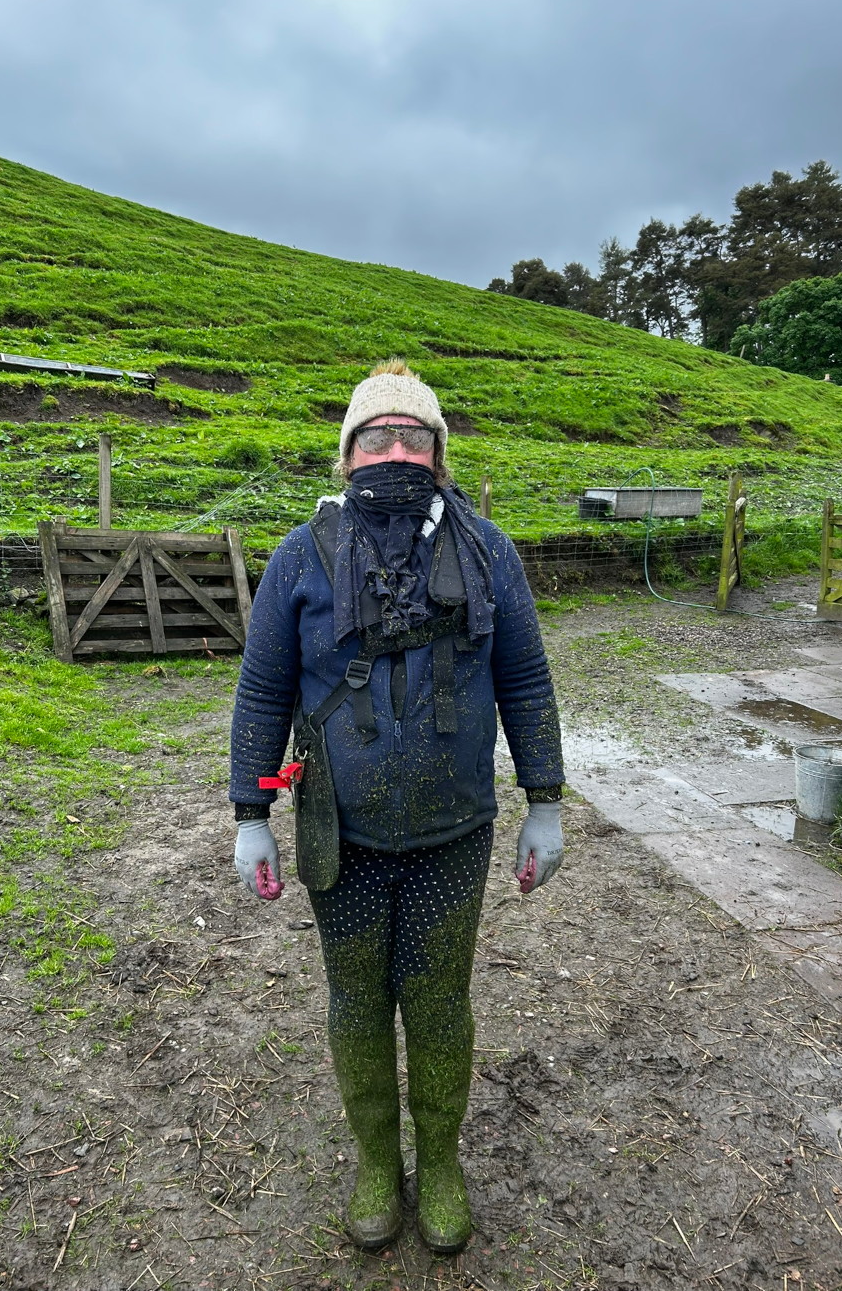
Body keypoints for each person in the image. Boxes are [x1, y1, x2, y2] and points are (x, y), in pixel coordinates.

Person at [230, 360, 564, 1255]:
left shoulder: (489, 549)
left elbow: (525, 678)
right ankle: (378, 1161)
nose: (395, 449)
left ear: (439, 452)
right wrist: (251, 813)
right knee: (355, 998)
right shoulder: (300, 557)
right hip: (341, 830)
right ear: (347, 454)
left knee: (439, 997)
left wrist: (544, 800)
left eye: (413, 435)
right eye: (375, 435)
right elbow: (264, 692)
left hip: (455, 832)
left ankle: (442, 1163)